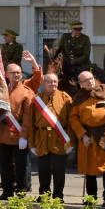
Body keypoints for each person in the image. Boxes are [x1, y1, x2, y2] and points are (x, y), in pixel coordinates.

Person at [70, 71, 105, 207]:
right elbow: (73, 118)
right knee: (89, 167)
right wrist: (82, 135)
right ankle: (91, 197)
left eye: (91, 78)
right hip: (88, 136)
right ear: (81, 84)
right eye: (86, 80)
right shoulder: (79, 97)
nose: (90, 81)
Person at [0, 51, 43, 199]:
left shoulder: (26, 89)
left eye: (19, 73)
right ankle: (7, 191)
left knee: (21, 166)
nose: (16, 75)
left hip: (19, 134)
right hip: (3, 134)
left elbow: (38, 79)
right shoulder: (0, 89)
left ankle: (21, 191)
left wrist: (33, 62)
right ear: (7, 74)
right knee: (4, 165)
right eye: (13, 73)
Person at [29, 72, 74, 200]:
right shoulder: (37, 99)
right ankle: (44, 194)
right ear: (44, 83)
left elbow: (72, 122)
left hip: (59, 140)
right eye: (49, 82)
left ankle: (58, 195)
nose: (52, 84)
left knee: (59, 170)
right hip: (42, 139)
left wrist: (70, 142)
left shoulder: (66, 98)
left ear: (58, 83)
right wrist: (32, 143)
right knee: (43, 170)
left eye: (54, 81)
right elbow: (32, 123)